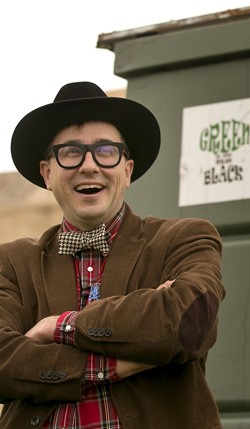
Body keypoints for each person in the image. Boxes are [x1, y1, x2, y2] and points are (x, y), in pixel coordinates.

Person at [0, 82, 225, 428]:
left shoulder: (184, 238)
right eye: (70, 153)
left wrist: (59, 327)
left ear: (127, 170)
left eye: (106, 151)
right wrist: (117, 363)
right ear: (47, 173)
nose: (89, 165)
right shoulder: (11, 263)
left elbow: (190, 321)